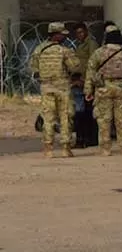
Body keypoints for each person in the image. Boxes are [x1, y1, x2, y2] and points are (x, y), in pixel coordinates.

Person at [85, 27, 122, 156]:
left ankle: (105, 148)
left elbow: (90, 72)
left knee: (104, 119)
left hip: (104, 88)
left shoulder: (99, 52)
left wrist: (88, 90)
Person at [30, 22, 81, 157]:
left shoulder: (38, 49)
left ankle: (48, 149)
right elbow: (75, 67)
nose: (64, 37)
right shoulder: (64, 50)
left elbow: (34, 70)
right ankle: (65, 148)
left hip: (46, 87)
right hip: (63, 87)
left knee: (48, 118)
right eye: (62, 35)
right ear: (56, 35)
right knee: (65, 116)